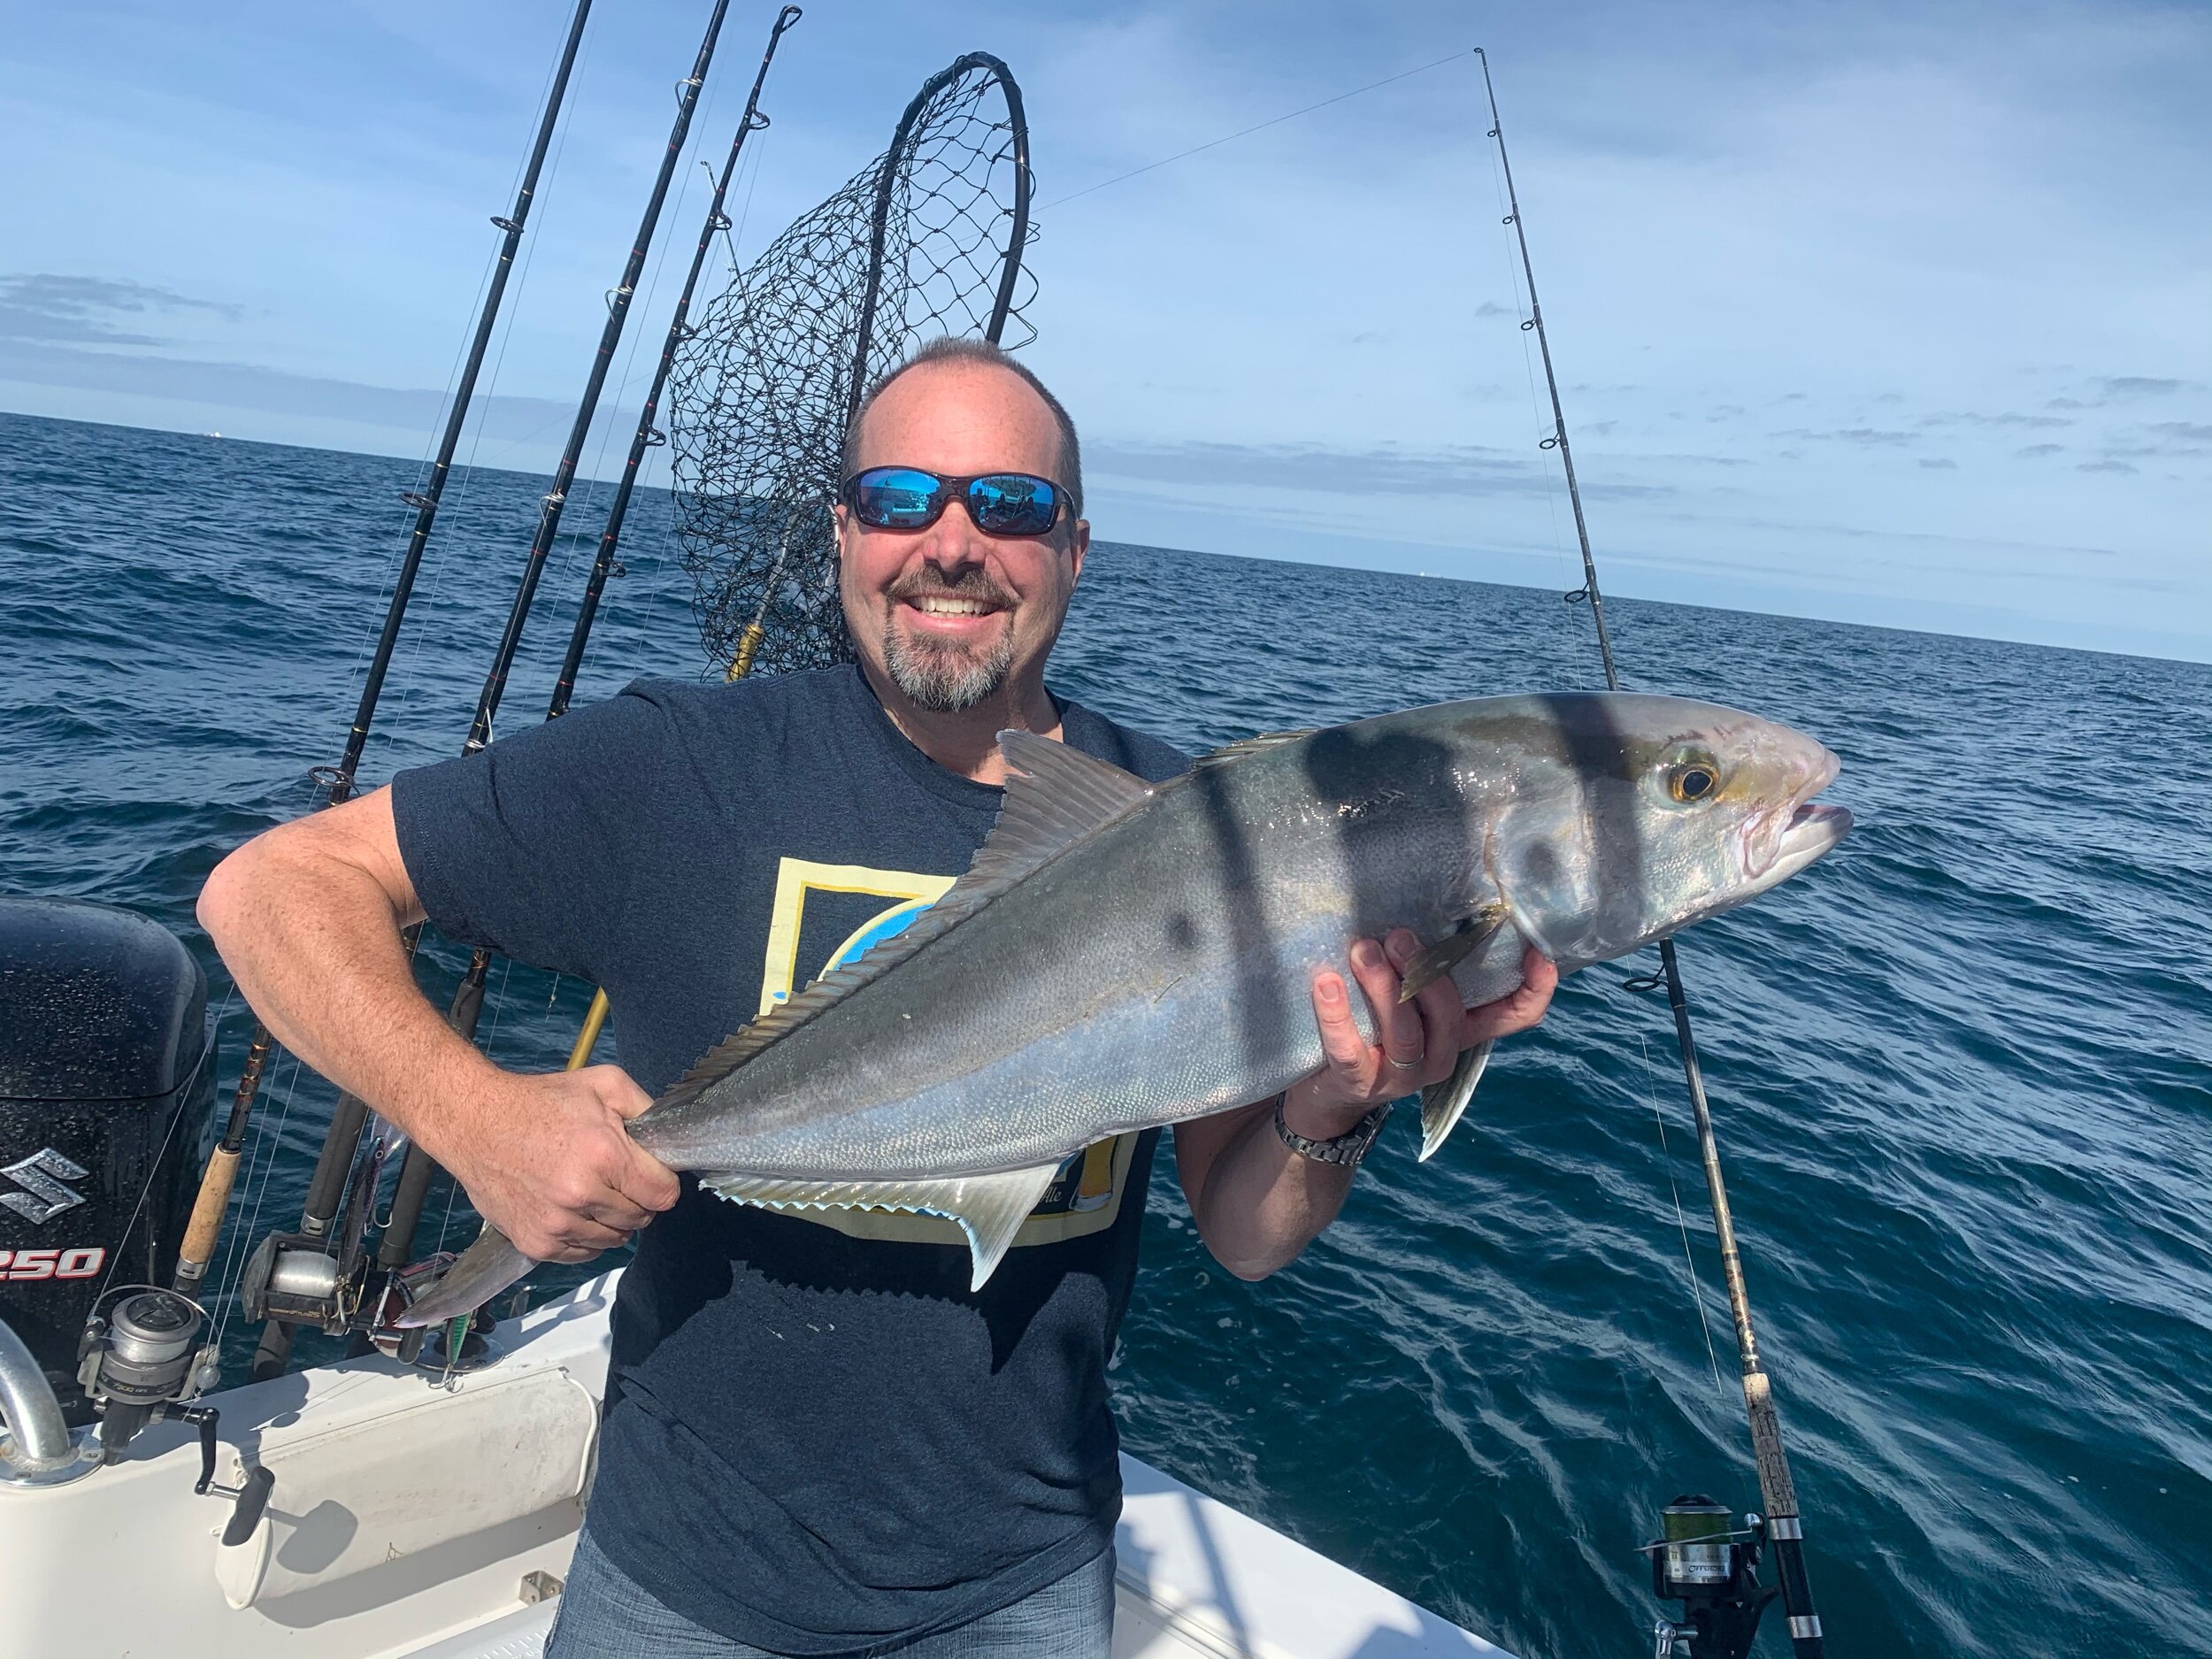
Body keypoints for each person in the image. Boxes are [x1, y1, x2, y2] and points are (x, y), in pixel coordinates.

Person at [197, 336, 1557, 1658]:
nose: (950, 544)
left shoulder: (1194, 830)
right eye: (901, 498)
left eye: (1010, 506)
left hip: (1027, 1581)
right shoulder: (682, 766)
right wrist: (476, 1116)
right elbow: (271, 889)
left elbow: (1248, 1234)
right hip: (677, 1574)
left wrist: (1334, 1110)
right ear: (843, 537)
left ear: (1076, 549)